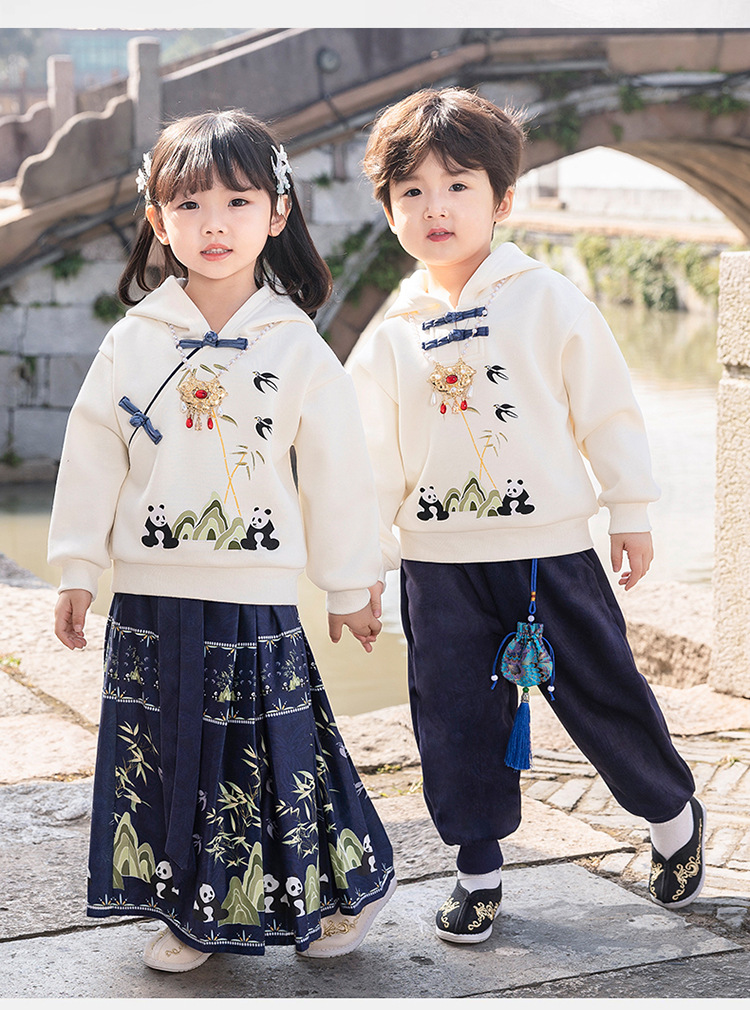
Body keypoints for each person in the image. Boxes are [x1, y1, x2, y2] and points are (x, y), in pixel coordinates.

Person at [348, 87, 704, 945]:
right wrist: (356, 570)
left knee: (600, 690)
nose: (435, 207)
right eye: (412, 192)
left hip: (549, 550)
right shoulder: (393, 332)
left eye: (458, 186)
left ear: (502, 200)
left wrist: (630, 508)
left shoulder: (546, 299)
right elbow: (368, 464)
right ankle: (477, 870)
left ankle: (671, 815)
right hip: (437, 562)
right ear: (389, 211)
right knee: (452, 718)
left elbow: (606, 408)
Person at [48, 109, 396, 971]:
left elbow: (337, 473)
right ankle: (193, 916)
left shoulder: (297, 344)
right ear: (157, 220)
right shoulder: (134, 341)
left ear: (277, 213)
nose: (214, 223)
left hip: (255, 596)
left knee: (272, 760)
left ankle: (342, 891)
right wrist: (77, 568)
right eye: (190, 204)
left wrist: (349, 585)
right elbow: (92, 456)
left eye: (238, 201)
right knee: (167, 755)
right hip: (150, 592)